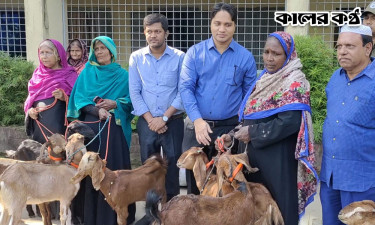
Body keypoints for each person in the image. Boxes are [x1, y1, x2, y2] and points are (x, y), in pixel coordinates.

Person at [233, 31, 318, 225]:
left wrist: (253, 132)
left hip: (279, 161)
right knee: (256, 210)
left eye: (276, 54)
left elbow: (290, 122)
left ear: (288, 54)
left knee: (279, 210)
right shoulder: (263, 78)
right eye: (266, 52)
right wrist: (234, 135)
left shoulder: (294, 81)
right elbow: (250, 115)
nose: (269, 58)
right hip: (255, 159)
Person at [179, 2, 257, 194]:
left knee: (227, 188)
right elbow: (186, 88)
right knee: (195, 188)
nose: (222, 29)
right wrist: (197, 121)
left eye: (227, 24)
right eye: (217, 23)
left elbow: (251, 97)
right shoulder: (195, 53)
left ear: (235, 26)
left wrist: (234, 132)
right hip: (197, 128)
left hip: (228, 131)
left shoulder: (245, 57)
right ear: (211, 24)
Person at [67, 36, 135, 225]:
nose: (99, 52)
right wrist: (98, 109)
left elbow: (131, 101)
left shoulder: (123, 75)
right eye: (96, 49)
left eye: (103, 48)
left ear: (111, 51)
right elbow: (79, 99)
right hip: (90, 133)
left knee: (113, 171)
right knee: (90, 172)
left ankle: (115, 217)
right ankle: (89, 218)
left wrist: (115, 103)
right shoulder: (87, 73)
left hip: (113, 132)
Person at [320, 25, 375, 225]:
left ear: (368, 48)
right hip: (331, 178)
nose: (342, 51)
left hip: (363, 181)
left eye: (350, 46)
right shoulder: (335, 78)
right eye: (339, 46)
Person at [129, 13, 185, 201]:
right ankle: (151, 213)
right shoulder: (136, 58)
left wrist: (165, 118)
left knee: (171, 168)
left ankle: (172, 211)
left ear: (166, 33)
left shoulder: (179, 57)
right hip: (147, 122)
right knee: (149, 169)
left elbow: (182, 91)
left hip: (173, 122)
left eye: (157, 31)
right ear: (144, 33)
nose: (153, 35)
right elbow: (135, 92)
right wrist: (151, 119)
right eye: (149, 31)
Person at [24, 39, 77, 144]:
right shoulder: (37, 74)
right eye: (41, 53)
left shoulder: (70, 74)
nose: (44, 56)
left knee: (58, 153)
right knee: (40, 154)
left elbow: (79, 99)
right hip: (39, 126)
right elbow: (30, 98)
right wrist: (30, 111)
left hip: (59, 125)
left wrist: (64, 97)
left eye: (48, 52)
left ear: (58, 55)